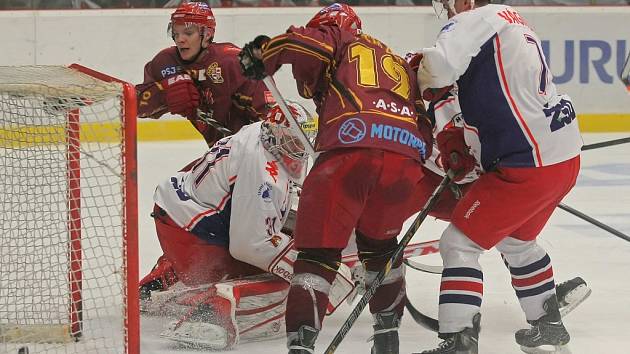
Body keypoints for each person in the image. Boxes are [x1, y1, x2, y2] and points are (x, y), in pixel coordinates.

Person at [239, 3, 434, 353]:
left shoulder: (338, 35)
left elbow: (310, 45)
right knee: (382, 249)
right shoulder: (397, 61)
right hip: (405, 161)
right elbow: (424, 124)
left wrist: (264, 53)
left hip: (350, 152)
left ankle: (301, 345)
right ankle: (387, 339)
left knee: (317, 255)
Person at [413, 1, 583, 353]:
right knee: (516, 242)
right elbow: (498, 95)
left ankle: (458, 338)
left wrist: (418, 78)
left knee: (458, 244)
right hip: (564, 155)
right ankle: (548, 323)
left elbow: (438, 69)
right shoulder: (509, 18)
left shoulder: (471, 21)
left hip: (526, 163)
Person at [139, 101, 354, 349]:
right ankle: (215, 310)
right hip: (193, 235)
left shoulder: (258, 132)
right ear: (275, 135)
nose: (299, 147)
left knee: (279, 241)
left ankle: (162, 278)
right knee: (303, 280)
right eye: (292, 140)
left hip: (180, 217)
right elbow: (249, 246)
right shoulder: (263, 175)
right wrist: (316, 266)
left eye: (302, 140)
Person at [136, 1, 272, 147]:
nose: (180, 39)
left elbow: (271, 116)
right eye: (176, 33)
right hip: (220, 151)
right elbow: (137, 106)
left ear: (207, 35)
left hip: (254, 148)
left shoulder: (234, 63)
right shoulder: (166, 62)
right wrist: (163, 92)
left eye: (188, 33)